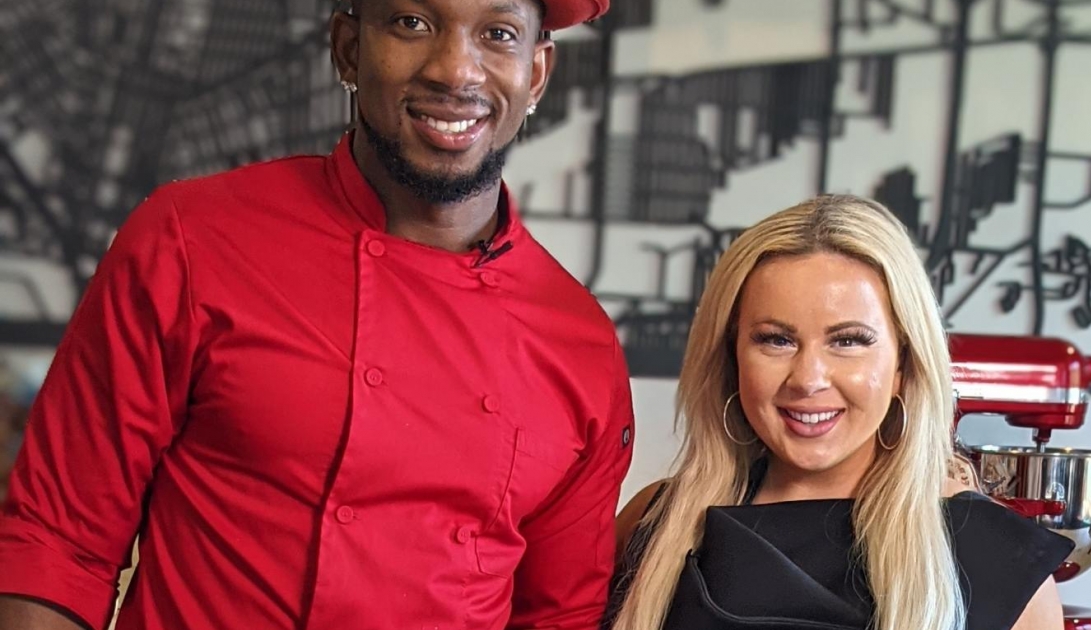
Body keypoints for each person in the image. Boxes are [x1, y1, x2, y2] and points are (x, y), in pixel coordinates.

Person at [0, 1, 635, 628]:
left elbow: (559, 619)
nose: (454, 70)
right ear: (348, 49)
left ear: (536, 74)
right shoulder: (190, 241)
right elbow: (56, 543)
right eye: (412, 23)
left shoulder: (580, 345)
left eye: (498, 33)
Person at [603, 195, 1072, 630]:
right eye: (776, 340)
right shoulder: (654, 525)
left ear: (903, 364)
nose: (808, 379)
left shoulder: (1002, 562)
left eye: (848, 341)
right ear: (732, 358)